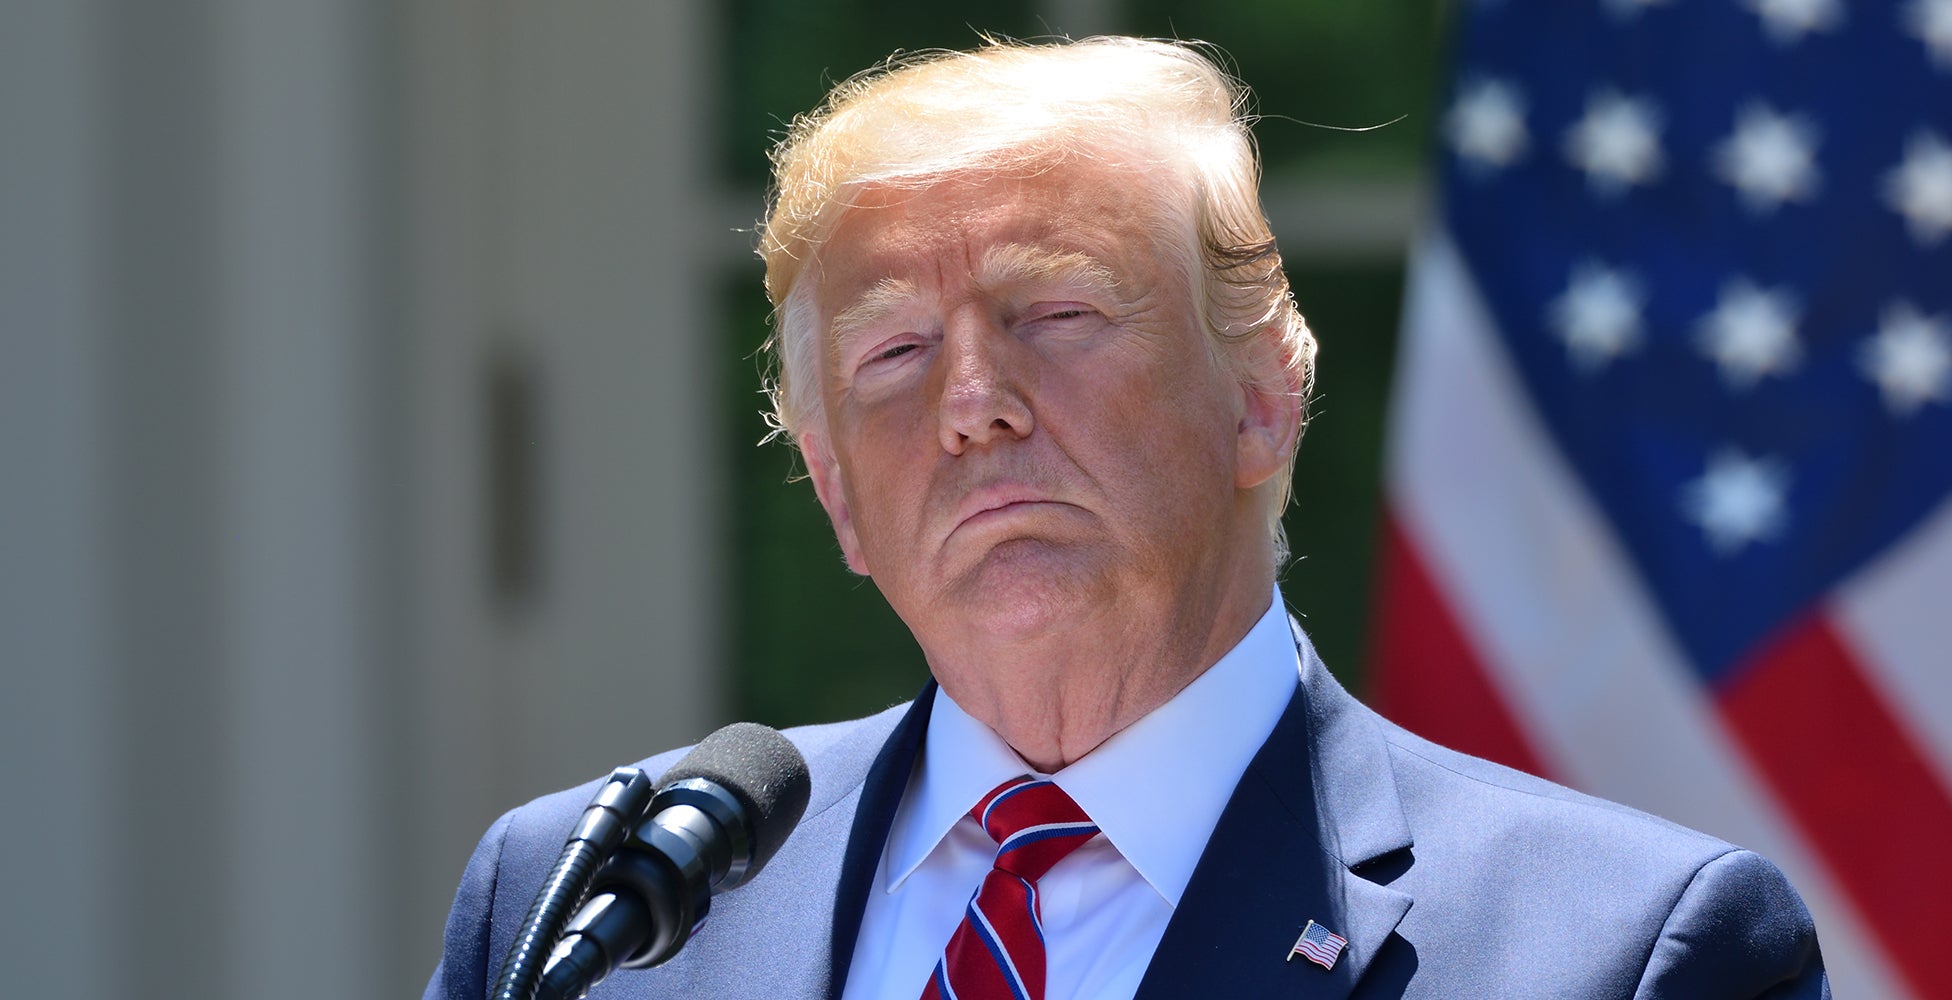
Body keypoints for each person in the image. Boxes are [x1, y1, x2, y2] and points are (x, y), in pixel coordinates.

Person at [427, 37, 1828, 999]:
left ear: (1264, 398)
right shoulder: (594, 911)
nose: (976, 402)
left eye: (1061, 314)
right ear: (839, 491)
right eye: (895, 354)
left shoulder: (1630, 951)